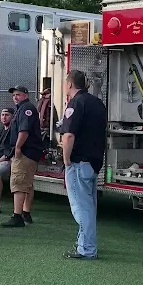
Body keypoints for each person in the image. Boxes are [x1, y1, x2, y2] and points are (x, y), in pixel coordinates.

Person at [60, 69, 107, 259]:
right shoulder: (97, 103)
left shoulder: (75, 103)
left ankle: (87, 248)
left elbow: (68, 135)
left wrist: (66, 160)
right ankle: (84, 243)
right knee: (89, 206)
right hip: (94, 161)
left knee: (81, 208)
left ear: (70, 84)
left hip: (79, 162)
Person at [1, 85, 43, 229]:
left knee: (18, 182)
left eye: (18, 95)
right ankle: (25, 213)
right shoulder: (23, 108)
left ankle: (17, 216)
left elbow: (24, 131)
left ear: (26, 95)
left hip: (25, 152)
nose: (15, 97)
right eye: (14, 95)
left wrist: (18, 147)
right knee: (27, 184)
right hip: (29, 152)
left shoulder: (26, 109)